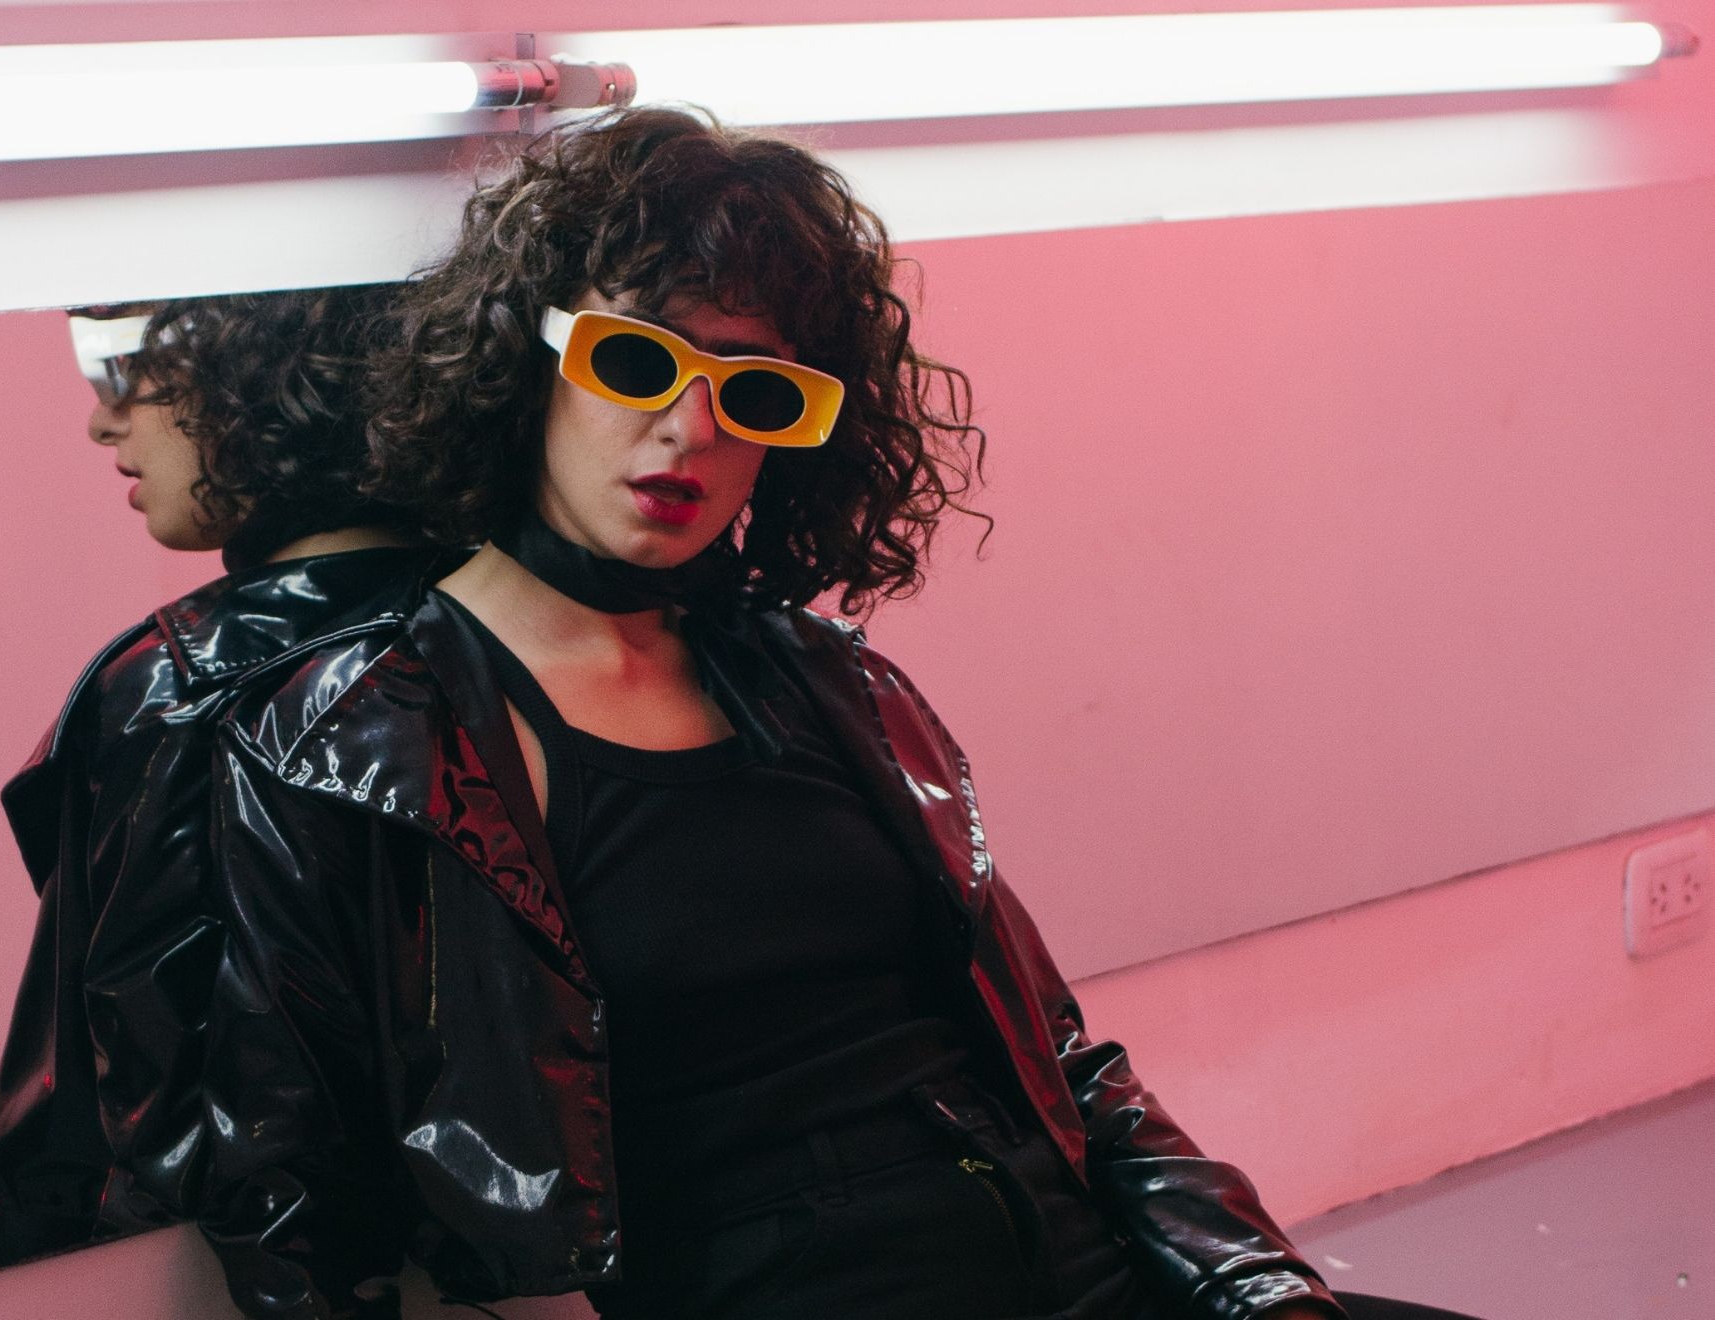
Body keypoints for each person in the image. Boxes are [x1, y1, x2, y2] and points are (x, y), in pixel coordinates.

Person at [194, 110, 1481, 1320]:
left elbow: (1064, 1069)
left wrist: (1261, 1292)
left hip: (1072, 1271)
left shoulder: (829, 684)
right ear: (522, 364)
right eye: (635, 361)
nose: (690, 428)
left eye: (757, 392)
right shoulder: (356, 737)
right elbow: (293, 1199)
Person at [0, 287, 440, 1320]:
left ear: (260, 368)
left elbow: (154, 1116)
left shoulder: (183, 682)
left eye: (132, 372)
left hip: (187, 1254)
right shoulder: (502, 630)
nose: (103, 423)